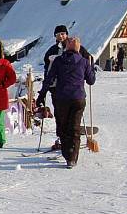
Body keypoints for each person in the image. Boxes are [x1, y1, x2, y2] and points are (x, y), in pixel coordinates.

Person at [37, 37, 95, 169]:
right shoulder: (84, 62)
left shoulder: (58, 61)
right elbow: (91, 81)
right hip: (78, 99)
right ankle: (72, 158)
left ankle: (67, 154)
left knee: (63, 127)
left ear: (67, 48)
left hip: (61, 98)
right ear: (78, 49)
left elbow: (49, 79)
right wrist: (91, 68)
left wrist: (42, 95)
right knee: (74, 127)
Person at [42, 25, 93, 150]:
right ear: (55, 36)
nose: (61, 36)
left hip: (74, 86)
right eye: (58, 34)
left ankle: (70, 141)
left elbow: (87, 58)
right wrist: (47, 85)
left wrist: (89, 65)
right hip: (56, 88)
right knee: (59, 116)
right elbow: (47, 68)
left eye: (63, 33)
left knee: (72, 116)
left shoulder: (75, 45)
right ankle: (61, 138)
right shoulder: (52, 50)